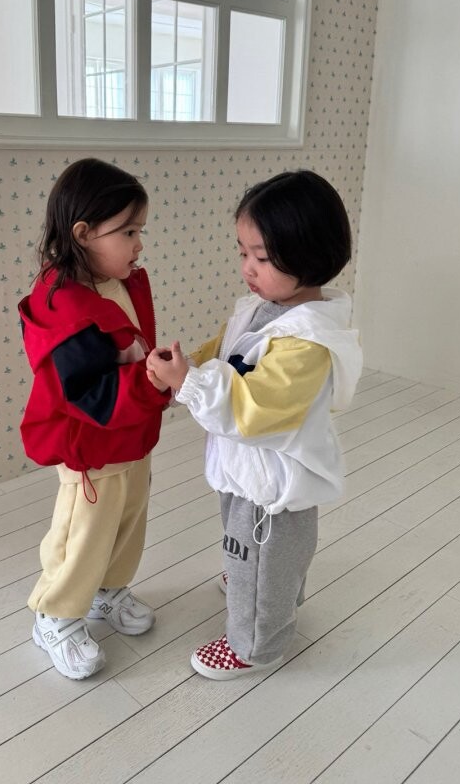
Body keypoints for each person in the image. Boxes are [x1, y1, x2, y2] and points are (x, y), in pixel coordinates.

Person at [146, 169, 362, 680]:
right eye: (242, 251)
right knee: (259, 551)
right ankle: (266, 584)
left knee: (263, 549)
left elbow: (256, 407)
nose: (247, 267)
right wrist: (187, 368)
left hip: (273, 481)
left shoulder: (308, 342)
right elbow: (224, 352)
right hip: (246, 469)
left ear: (308, 255)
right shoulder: (262, 308)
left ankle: (256, 643)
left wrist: (190, 385)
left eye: (261, 257)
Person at [18, 157, 170, 680]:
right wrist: (153, 382)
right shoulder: (64, 306)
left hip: (131, 434)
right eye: (128, 232)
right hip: (91, 446)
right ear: (83, 234)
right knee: (83, 533)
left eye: (140, 231)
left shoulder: (115, 281)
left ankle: (108, 590)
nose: (138, 244)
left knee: (128, 520)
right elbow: (88, 393)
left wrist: (156, 376)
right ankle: (55, 614)